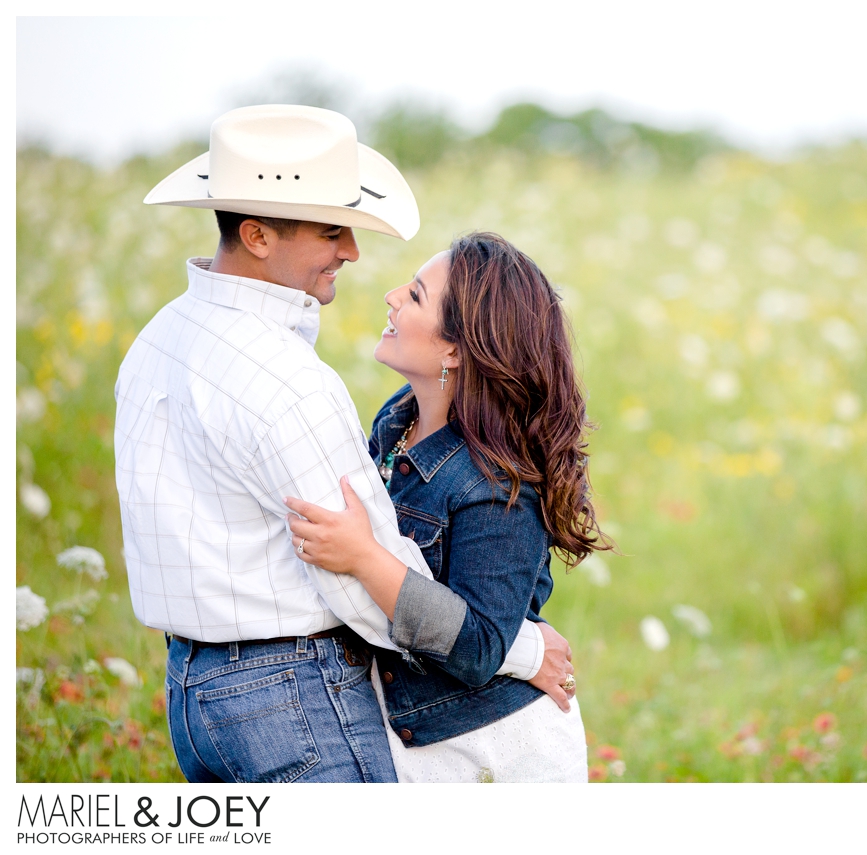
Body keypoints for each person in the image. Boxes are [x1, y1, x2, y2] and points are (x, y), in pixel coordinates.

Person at [114, 105, 573, 783]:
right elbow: (356, 587)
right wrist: (521, 648)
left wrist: (483, 633)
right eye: (334, 231)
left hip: (190, 690)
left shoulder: (157, 339)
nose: (355, 254)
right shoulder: (294, 382)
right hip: (289, 696)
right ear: (258, 235)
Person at [284, 232, 612, 781]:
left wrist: (364, 558)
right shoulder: (396, 423)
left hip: (497, 752)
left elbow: (479, 645)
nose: (390, 296)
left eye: (414, 296)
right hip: (421, 743)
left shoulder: (497, 482)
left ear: (456, 349)